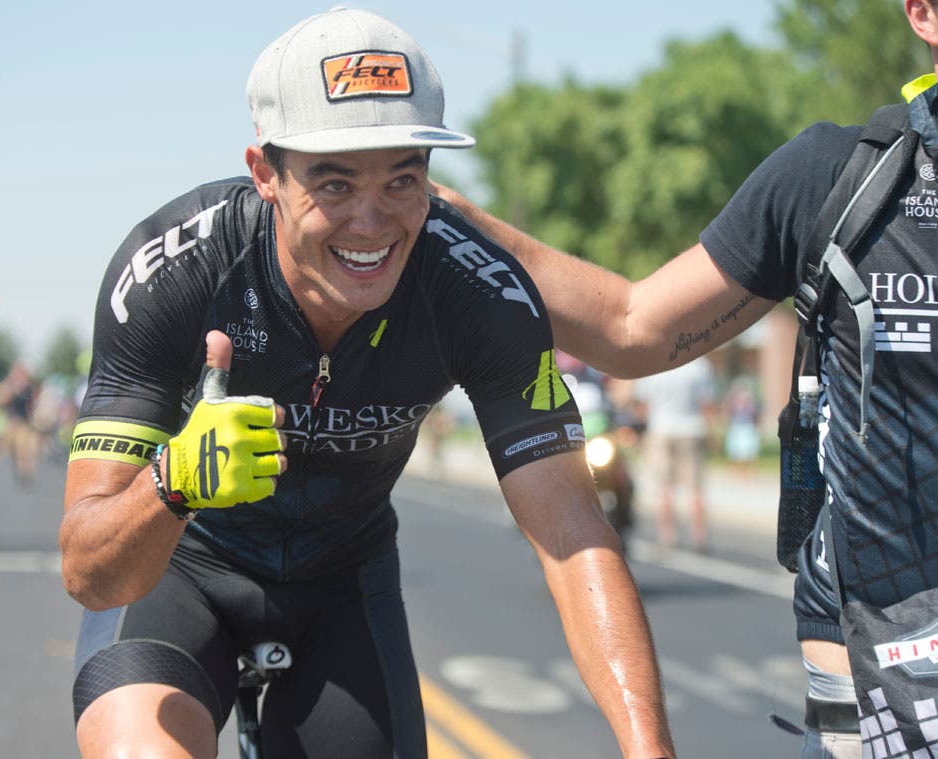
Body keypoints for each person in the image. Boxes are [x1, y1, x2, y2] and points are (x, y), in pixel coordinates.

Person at [60, 8, 674, 759]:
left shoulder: (480, 294)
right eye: (335, 182)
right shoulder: (175, 272)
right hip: (184, 570)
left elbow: (575, 536)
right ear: (266, 174)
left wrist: (650, 750)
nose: (371, 222)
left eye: (402, 180)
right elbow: (87, 571)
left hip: (343, 579)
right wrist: (172, 481)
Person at [432, 2, 938, 754]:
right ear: (922, 13)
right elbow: (636, 327)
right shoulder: (839, 179)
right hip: (878, 692)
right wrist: (449, 216)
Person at [632, 357, 716, 551]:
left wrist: (639, 433)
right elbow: (707, 402)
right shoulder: (699, 365)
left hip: (661, 428)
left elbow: (642, 403)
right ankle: (699, 536)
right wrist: (712, 431)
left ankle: (668, 536)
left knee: (664, 488)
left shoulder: (655, 362)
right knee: (696, 488)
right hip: (692, 428)